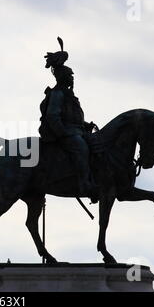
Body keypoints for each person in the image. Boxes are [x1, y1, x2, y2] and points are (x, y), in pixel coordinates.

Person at [38, 37, 97, 197]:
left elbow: (73, 118)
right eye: (69, 76)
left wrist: (85, 125)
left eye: (72, 76)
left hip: (76, 132)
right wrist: (63, 132)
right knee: (81, 147)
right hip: (65, 135)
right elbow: (52, 116)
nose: (72, 78)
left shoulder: (70, 96)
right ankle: (84, 183)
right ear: (63, 77)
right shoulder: (58, 94)